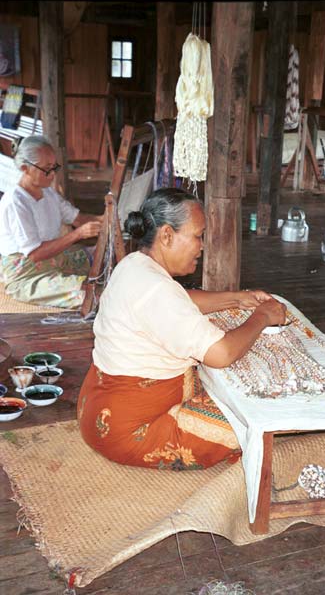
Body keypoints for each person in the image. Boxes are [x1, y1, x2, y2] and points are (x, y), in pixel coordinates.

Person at [78, 188, 286, 470]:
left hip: (98, 410)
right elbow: (221, 353)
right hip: (133, 430)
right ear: (166, 235)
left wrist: (238, 297)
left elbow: (180, 300)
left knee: (231, 386)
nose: (202, 245)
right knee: (256, 412)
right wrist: (261, 316)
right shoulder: (155, 289)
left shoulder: (133, 264)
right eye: (198, 235)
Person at [0, 135, 102, 308]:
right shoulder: (16, 202)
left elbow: (77, 218)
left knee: (99, 257)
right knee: (87, 293)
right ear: (25, 168)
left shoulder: (48, 193)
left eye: (54, 167)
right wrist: (78, 234)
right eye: (47, 169)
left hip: (55, 259)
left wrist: (105, 218)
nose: (53, 174)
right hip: (25, 274)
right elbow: (35, 254)